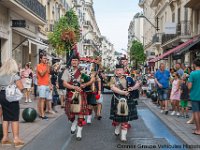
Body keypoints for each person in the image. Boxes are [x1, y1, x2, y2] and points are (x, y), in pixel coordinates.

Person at [62, 54, 93, 141]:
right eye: (73, 60)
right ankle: (74, 122)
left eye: (76, 60)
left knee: (81, 114)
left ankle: (79, 132)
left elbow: (92, 79)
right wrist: (74, 87)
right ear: (71, 62)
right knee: (71, 115)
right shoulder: (67, 71)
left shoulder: (83, 70)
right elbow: (64, 83)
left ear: (78, 62)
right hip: (70, 94)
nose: (74, 62)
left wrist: (85, 84)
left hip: (81, 94)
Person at [109, 64, 140, 142]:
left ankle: (123, 136)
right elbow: (113, 88)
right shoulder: (113, 79)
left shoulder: (129, 78)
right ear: (115, 71)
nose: (118, 72)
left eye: (120, 70)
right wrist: (123, 92)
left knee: (125, 119)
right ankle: (117, 126)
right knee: (118, 118)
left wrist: (132, 88)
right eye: (117, 70)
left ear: (123, 70)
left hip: (128, 100)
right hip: (117, 100)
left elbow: (138, 84)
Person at [0, 59, 24, 147]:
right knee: (14, 118)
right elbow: (21, 87)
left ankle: (5, 138)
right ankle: (16, 139)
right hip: (11, 96)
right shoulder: (14, 76)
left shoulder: (1, 75)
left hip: (2, 95)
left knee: (5, 117)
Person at [188, 58, 200, 135]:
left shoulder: (193, 73)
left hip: (195, 96)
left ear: (194, 65)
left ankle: (198, 130)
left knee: (196, 112)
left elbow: (189, 87)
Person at [37, 55, 50, 120]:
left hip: (47, 85)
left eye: (46, 58)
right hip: (41, 85)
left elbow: (48, 76)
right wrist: (46, 67)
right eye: (44, 58)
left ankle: (40, 113)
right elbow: (41, 74)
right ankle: (42, 115)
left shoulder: (46, 66)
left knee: (43, 100)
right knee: (42, 100)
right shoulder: (39, 66)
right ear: (40, 59)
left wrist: (50, 85)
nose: (46, 59)